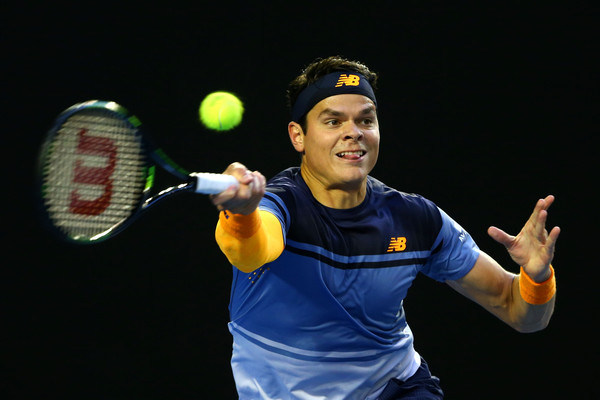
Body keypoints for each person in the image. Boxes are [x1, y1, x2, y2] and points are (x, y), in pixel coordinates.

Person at [210, 56, 559, 400]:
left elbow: (518, 311)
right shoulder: (278, 206)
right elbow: (251, 251)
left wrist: (536, 277)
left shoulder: (417, 218)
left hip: (395, 389)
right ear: (298, 136)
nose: (354, 133)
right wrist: (242, 215)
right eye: (333, 122)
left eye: (366, 120)